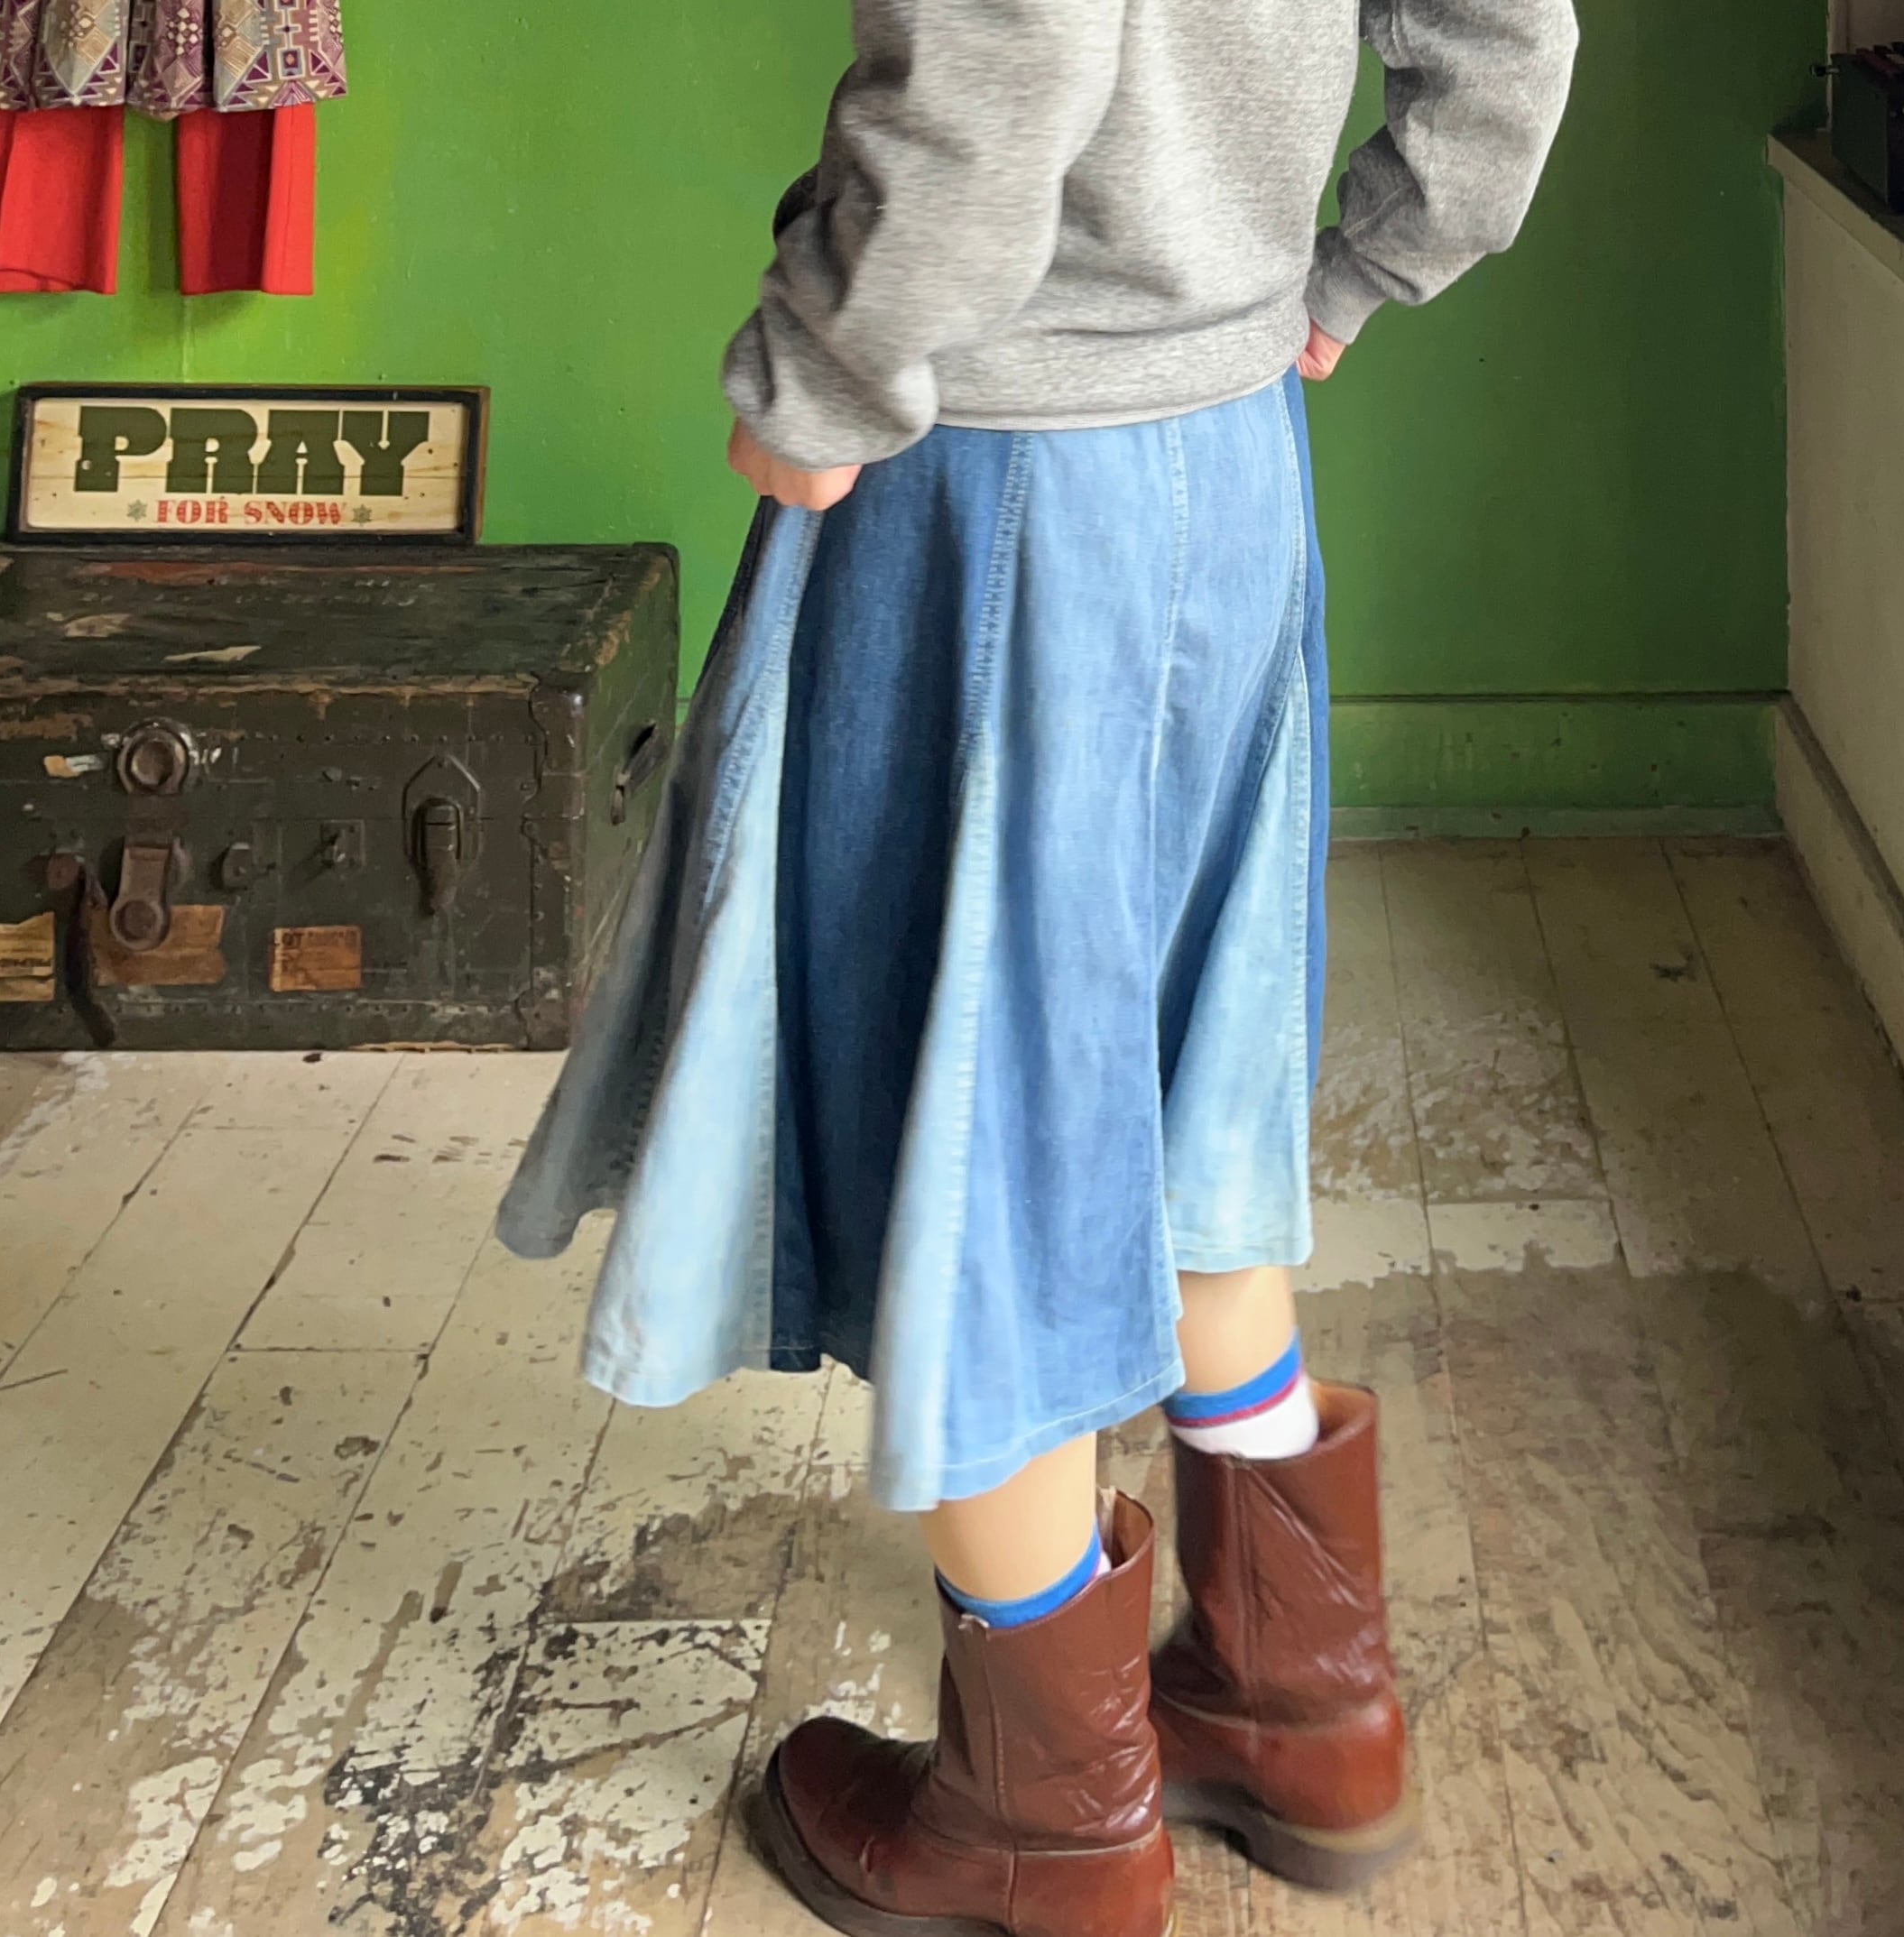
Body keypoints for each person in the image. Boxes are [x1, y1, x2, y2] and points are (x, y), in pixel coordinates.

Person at [499, 0, 1576, 1929]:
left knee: (986, 1129)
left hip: (998, 478)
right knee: (1178, 1090)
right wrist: (1356, 269)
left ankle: (1045, 1825)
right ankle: (1299, 1703)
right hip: (1231, 457)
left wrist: (823, 372)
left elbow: (1007, 67)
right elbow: (1507, 35)